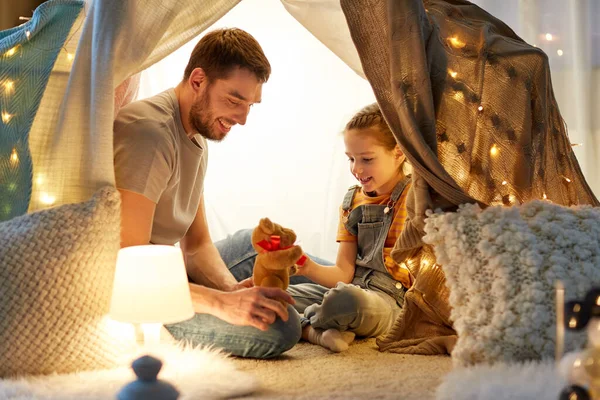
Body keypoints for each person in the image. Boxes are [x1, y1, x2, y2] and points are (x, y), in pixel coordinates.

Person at [113, 28, 300, 359]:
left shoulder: (197, 133)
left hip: (173, 270)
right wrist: (221, 303)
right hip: (143, 291)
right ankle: (323, 312)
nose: (242, 118)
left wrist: (231, 289)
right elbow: (130, 266)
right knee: (282, 327)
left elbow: (197, 246)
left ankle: (354, 289)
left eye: (250, 104)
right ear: (198, 80)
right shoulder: (150, 135)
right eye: (234, 100)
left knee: (270, 251)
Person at [220, 103, 412, 352]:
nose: (356, 169)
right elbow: (343, 272)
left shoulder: (414, 197)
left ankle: (310, 323)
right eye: (351, 159)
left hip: (389, 300)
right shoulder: (352, 202)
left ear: (398, 153)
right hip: (351, 285)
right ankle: (317, 331)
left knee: (347, 303)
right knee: (269, 297)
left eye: (367, 159)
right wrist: (307, 267)